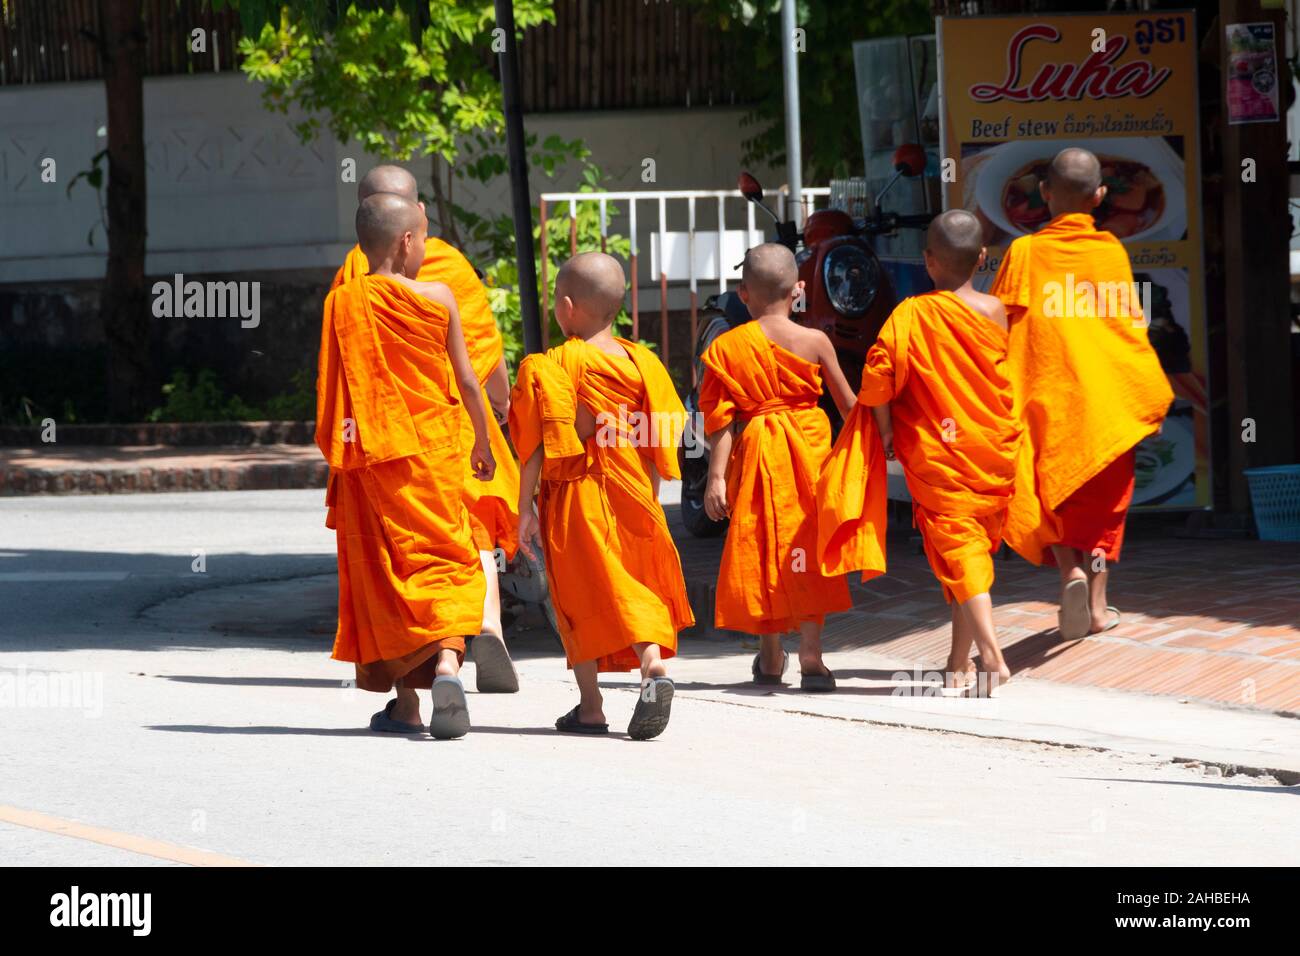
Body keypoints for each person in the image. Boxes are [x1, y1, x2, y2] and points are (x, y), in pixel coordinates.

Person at [333, 164, 520, 693]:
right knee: (467, 535)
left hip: (378, 443)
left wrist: (340, 441)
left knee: (395, 557)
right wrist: (494, 421)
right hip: (449, 433)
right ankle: (484, 624)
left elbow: (341, 371)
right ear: (416, 217)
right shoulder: (446, 277)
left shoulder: (350, 281)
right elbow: (480, 361)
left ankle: (410, 694)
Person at [833, 210, 1022, 695]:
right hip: (990, 447)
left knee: (959, 551)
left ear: (928, 260)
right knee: (966, 552)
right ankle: (958, 664)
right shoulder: (996, 311)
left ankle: (993, 658)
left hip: (939, 453)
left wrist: (887, 430)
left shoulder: (911, 315)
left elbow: (877, 380)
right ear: (983, 258)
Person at [990, 148, 1172, 640]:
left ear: (1045, 193)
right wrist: (1145, 391)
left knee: (1053, 496)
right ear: (1099, 196)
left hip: (1046, 401)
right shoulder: (1111, 250)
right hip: (1103, 402)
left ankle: (1067, 570)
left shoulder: (1024, 253)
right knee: (1102, 508)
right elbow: (1128, 328)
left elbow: (1001, 327)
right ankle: (1096, 604)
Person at [510, 252, 693, 739]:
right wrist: (650, 498)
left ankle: (592, 705)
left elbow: (533, 447)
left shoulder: (553, 365)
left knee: (580, 595)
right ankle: (650, 659)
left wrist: (523, 508)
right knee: (634, 582)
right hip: (633, 489)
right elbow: (660, 437)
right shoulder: (644, 362)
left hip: (575, 496)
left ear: (566, 307)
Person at [699, 244, 857, 692]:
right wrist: (866, 456)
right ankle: (811, 654)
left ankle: (770, 655)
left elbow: (720, 421)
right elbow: (849, 408)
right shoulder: (815, 341)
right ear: (799, 291)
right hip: (810, 453)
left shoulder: (726, 346)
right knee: (808, 547)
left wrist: (715, 478)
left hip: (755, 456)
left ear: (743, 293)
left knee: (762, 546)